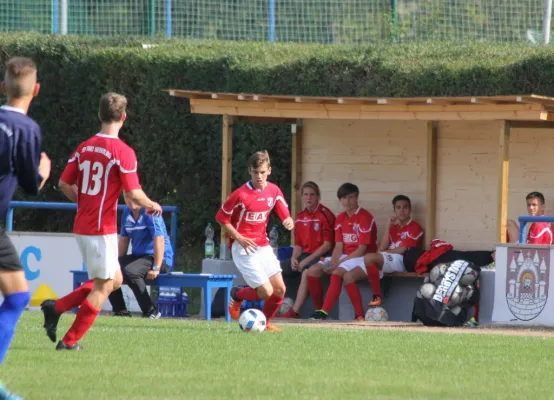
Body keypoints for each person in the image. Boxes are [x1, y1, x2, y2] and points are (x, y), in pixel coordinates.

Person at [40, 92, 162, 350]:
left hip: (83, 226)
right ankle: (69, 342)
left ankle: (57, 307)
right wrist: (152, 204)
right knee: (104, 286)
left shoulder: (84, 147)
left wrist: (84, 203)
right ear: (124, 117)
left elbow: (64, 183)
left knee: (115, 280)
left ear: (99, 115)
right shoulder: (123, 151)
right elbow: (133, 193)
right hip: (100, 228)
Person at [0, 57, 51, 400]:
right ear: (36, 90)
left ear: (3, 87)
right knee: (17, 297)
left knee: (18, 294)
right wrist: (43, 168)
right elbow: (33, 186)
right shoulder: (27, 130)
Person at [215, 151, 294, 332]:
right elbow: (221, 218)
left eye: (263, 172)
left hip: (263, 246)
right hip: (243, 248)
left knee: (280, 290)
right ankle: (238, 294)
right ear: (250, 171)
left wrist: (287, 219)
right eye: (256, 172)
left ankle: (265, 323)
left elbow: (281, 208)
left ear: (269, 171)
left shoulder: (273, 191)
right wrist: (239, 237)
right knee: (266, 292)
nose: (259, 176)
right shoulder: (240, 194)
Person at [308, 183, 377, 321]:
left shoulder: (365, 217)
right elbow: (339, 246)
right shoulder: (340, 218)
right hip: (346, 257)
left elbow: (361, 249)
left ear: (357, 198)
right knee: (313, 270)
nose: (347, 201)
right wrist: (334, 261)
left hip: (362, 257)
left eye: (351, 197)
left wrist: (338, 264)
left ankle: (324, 312)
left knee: (337, 272)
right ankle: (318, 309)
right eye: (344, 198)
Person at [108, 196, 174, 319]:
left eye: (134, 198)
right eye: (127, 198)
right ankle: (121, 311)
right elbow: (124, 239)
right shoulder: (126, 212)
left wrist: (156, 267)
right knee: (109, 269)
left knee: (131, 271)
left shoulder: (150, 211)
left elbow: (159, 239)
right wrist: (118, 264)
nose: (130, 201)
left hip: (160, 258)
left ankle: (151, 311)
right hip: (139, 258)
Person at [276, 181, 335, 319]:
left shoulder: (325, 215)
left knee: (307, 271)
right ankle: (276, 305)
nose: (309, 198)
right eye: (306, 195)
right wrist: (294, 258)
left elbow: (327, 245)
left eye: (312, 195)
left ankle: (294, 312)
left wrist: (306, 260)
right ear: (302, 196)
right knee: (276, 269)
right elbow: (298, 244)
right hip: (305, 255)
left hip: (324, 256)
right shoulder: (300, 217)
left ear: (318, 197)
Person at [356, 195, 424, 308]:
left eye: (405, 207)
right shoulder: (394, 227)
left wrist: (384, 253)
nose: (402, 210)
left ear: (410, 210)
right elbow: (382, 247)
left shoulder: (414, 226)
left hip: (403, 260)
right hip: (389, 258)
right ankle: (359, 314)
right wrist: (388, 226)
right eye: (398, 207)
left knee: (369, 258)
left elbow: (403, 249)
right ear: (394, 210)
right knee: (350, 276)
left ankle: (376, 296)